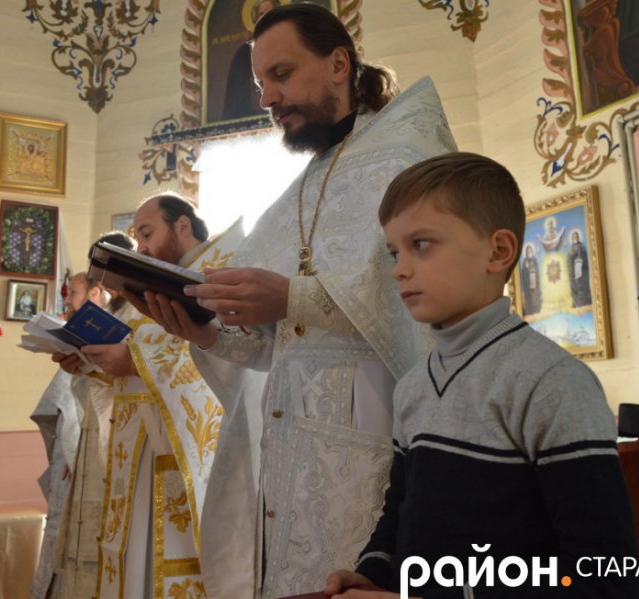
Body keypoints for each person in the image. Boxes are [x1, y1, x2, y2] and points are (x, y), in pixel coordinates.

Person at [131, 5, 457, 597]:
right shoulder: (303, 185)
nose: (268, 98)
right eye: (261, 84)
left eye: (281, 75)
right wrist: (204, 331)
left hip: (372, 446)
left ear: (339, 64)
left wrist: (294, 297)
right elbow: (276, 344)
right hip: (288, 456)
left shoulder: (406, 155)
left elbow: (439, 294)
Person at [326, 152, 639, 598]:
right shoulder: (414, 385)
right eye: (395, 251)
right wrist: (375, 574)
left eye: (421, 244)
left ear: (498, 251)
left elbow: (604, 575)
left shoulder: (550, 382)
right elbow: (399, 511)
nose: (398, 268)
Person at [58, 194, 241, 599]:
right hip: (138, 455)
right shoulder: (152, 290)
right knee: (132, 563)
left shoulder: (216, 275)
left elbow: (221, 358)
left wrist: (134, 360)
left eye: (146, 234)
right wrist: (91, 363)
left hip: (181, 460)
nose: (140, 247)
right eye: (136, 237)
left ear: (182, 226)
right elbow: (136, 364)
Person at [31, 271, 108, 599]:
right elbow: (60, 408)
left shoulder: (112, 332)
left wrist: (76, 452)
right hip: (72, 457)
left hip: (93, 461)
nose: (67, 299)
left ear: (95, 293)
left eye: (73, 292)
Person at [567, 229, 592, 308]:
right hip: (573, 272)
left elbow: (581, 258)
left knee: (581, 286)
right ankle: (576, 302)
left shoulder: (581, 247)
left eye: (576, 237)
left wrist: (578, 269)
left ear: (578, 237)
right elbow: (569, 260)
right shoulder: (571, 249)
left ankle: (583, 302)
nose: (575, 238)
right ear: (572, 239)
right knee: (574, 286)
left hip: (581, 272)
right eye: (574, 237)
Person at [520, 242, 542, 315]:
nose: (529, 252)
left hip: (535, 281)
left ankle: (537, 309)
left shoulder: (534, 259)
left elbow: (537, 270)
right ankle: (531, 311)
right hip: (529, 282)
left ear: (532, 251)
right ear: (526, 252)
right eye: (528, 251)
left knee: (536, 295)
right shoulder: (525, 261)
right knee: (530, 297)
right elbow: (524, 273)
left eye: (530, 250)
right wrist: (526, 268)